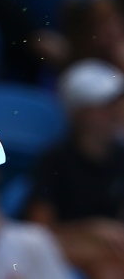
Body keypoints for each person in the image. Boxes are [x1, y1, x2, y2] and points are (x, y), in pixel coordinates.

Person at [25, 59, 124, 279]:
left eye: (115, 103)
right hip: (65, 249)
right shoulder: (54, 160)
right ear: (80, 113)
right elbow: (39, 233)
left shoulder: (120, 157)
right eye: (103, 106)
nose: (114, 112)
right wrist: (91, 230)